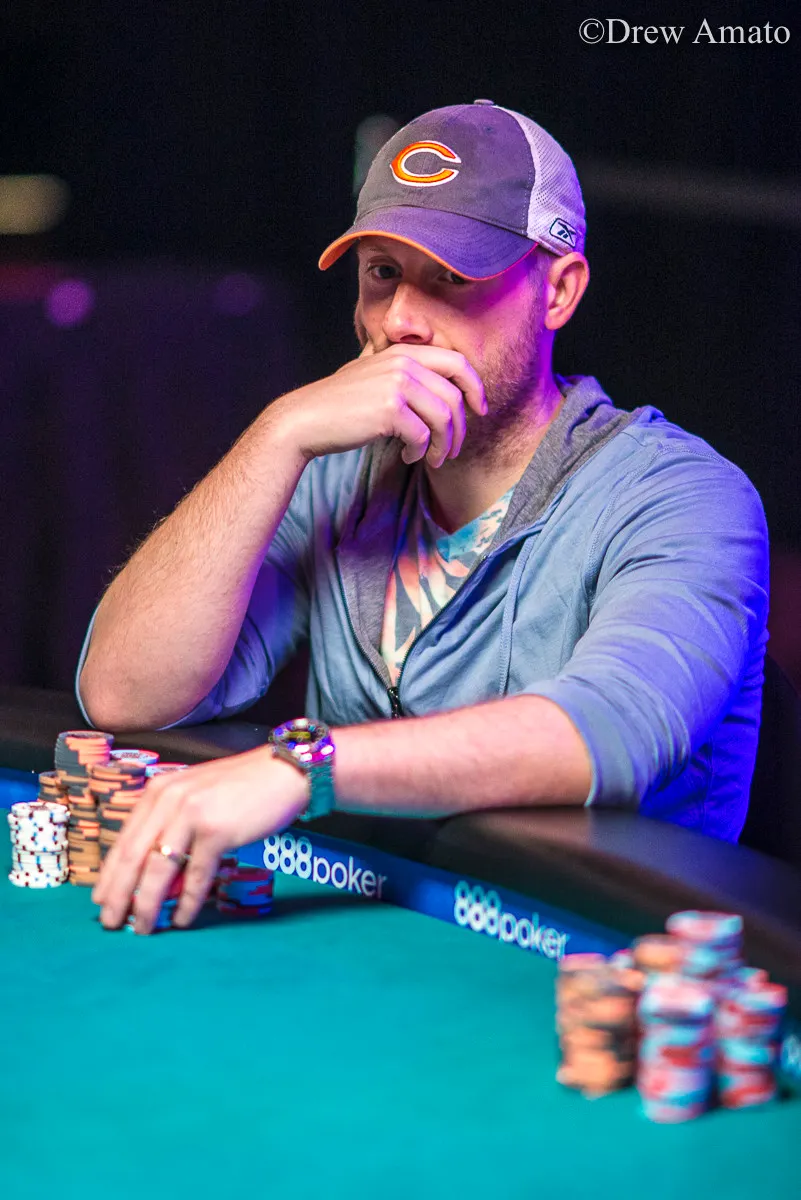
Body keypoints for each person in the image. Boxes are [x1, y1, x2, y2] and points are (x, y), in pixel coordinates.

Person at [79, 100, 769, 934]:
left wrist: (302, 767)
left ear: (557, 290)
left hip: (595, 961)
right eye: (381, 273)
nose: (400, 320)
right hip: (364, 940)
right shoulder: (332, 469)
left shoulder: (681, 496)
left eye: (452, 276)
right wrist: (277, 432)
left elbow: (602, 731)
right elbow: (126, 695)